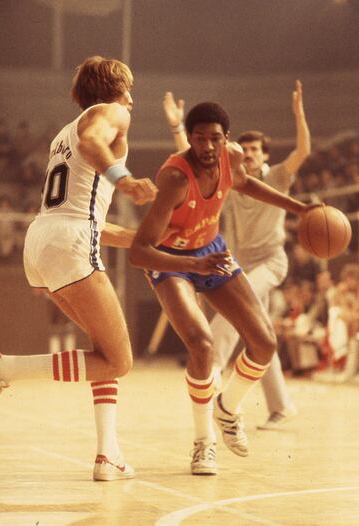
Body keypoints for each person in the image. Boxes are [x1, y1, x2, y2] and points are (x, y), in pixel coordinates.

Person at [129, 101, 317, 475]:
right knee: (202, 344)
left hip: (212, 252)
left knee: (264, 343)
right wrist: (190, 265)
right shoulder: (175, 179)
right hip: (172, 261)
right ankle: (204, 443)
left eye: (215, 138)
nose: (208, 147)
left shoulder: (232, 159)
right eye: (200, 139)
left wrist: (300, 209)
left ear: (226, 139)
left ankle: (228, 409)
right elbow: (139, 251)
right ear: (191, 141)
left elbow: (247, 184)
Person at [0, 55, 157, 481]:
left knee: (101, 353)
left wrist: (144, 239)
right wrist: (126, 181)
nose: (132, 100)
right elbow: (94, 142)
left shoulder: (61, 136)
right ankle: (7, 368)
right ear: (117, 89)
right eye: (130, 89)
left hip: (44, 240)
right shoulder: (110, 114)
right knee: (120, 360)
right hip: (69, 243)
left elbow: (85, 217)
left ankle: (108, 454)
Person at [162, 81, 310, 430]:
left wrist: (299, 113)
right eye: (246, 148)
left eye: (257, 148)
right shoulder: (226, 171)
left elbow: (303, 151)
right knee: (257, 331)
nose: (251, 152)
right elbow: (195, 159)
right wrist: (175, 127)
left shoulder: (277, 177)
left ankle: (212, 371)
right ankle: (281, 406)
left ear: (266, 154)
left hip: (271, 261)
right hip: (239, 259)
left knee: (230, 320)